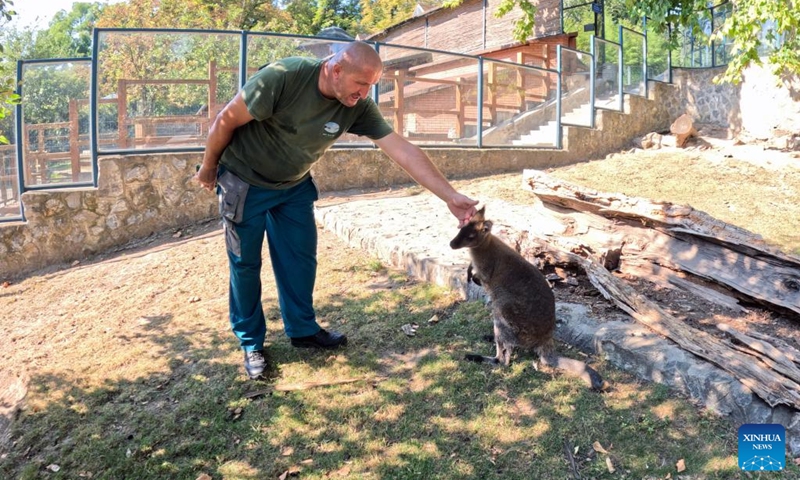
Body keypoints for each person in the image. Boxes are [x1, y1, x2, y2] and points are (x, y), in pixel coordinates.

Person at [195, 41, 478, 380]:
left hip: (293, 186)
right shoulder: (284, 77)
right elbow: (225, 120)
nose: (365, 93)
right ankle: (251, 342)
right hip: (244, 180)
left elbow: (402, 149)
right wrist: (208, 167)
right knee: (245, 264)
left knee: (300, 260)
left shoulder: (356, 104)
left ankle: (302, 330)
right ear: (335, 69)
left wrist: (449, 195)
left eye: (371, 85)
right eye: (361, 83)